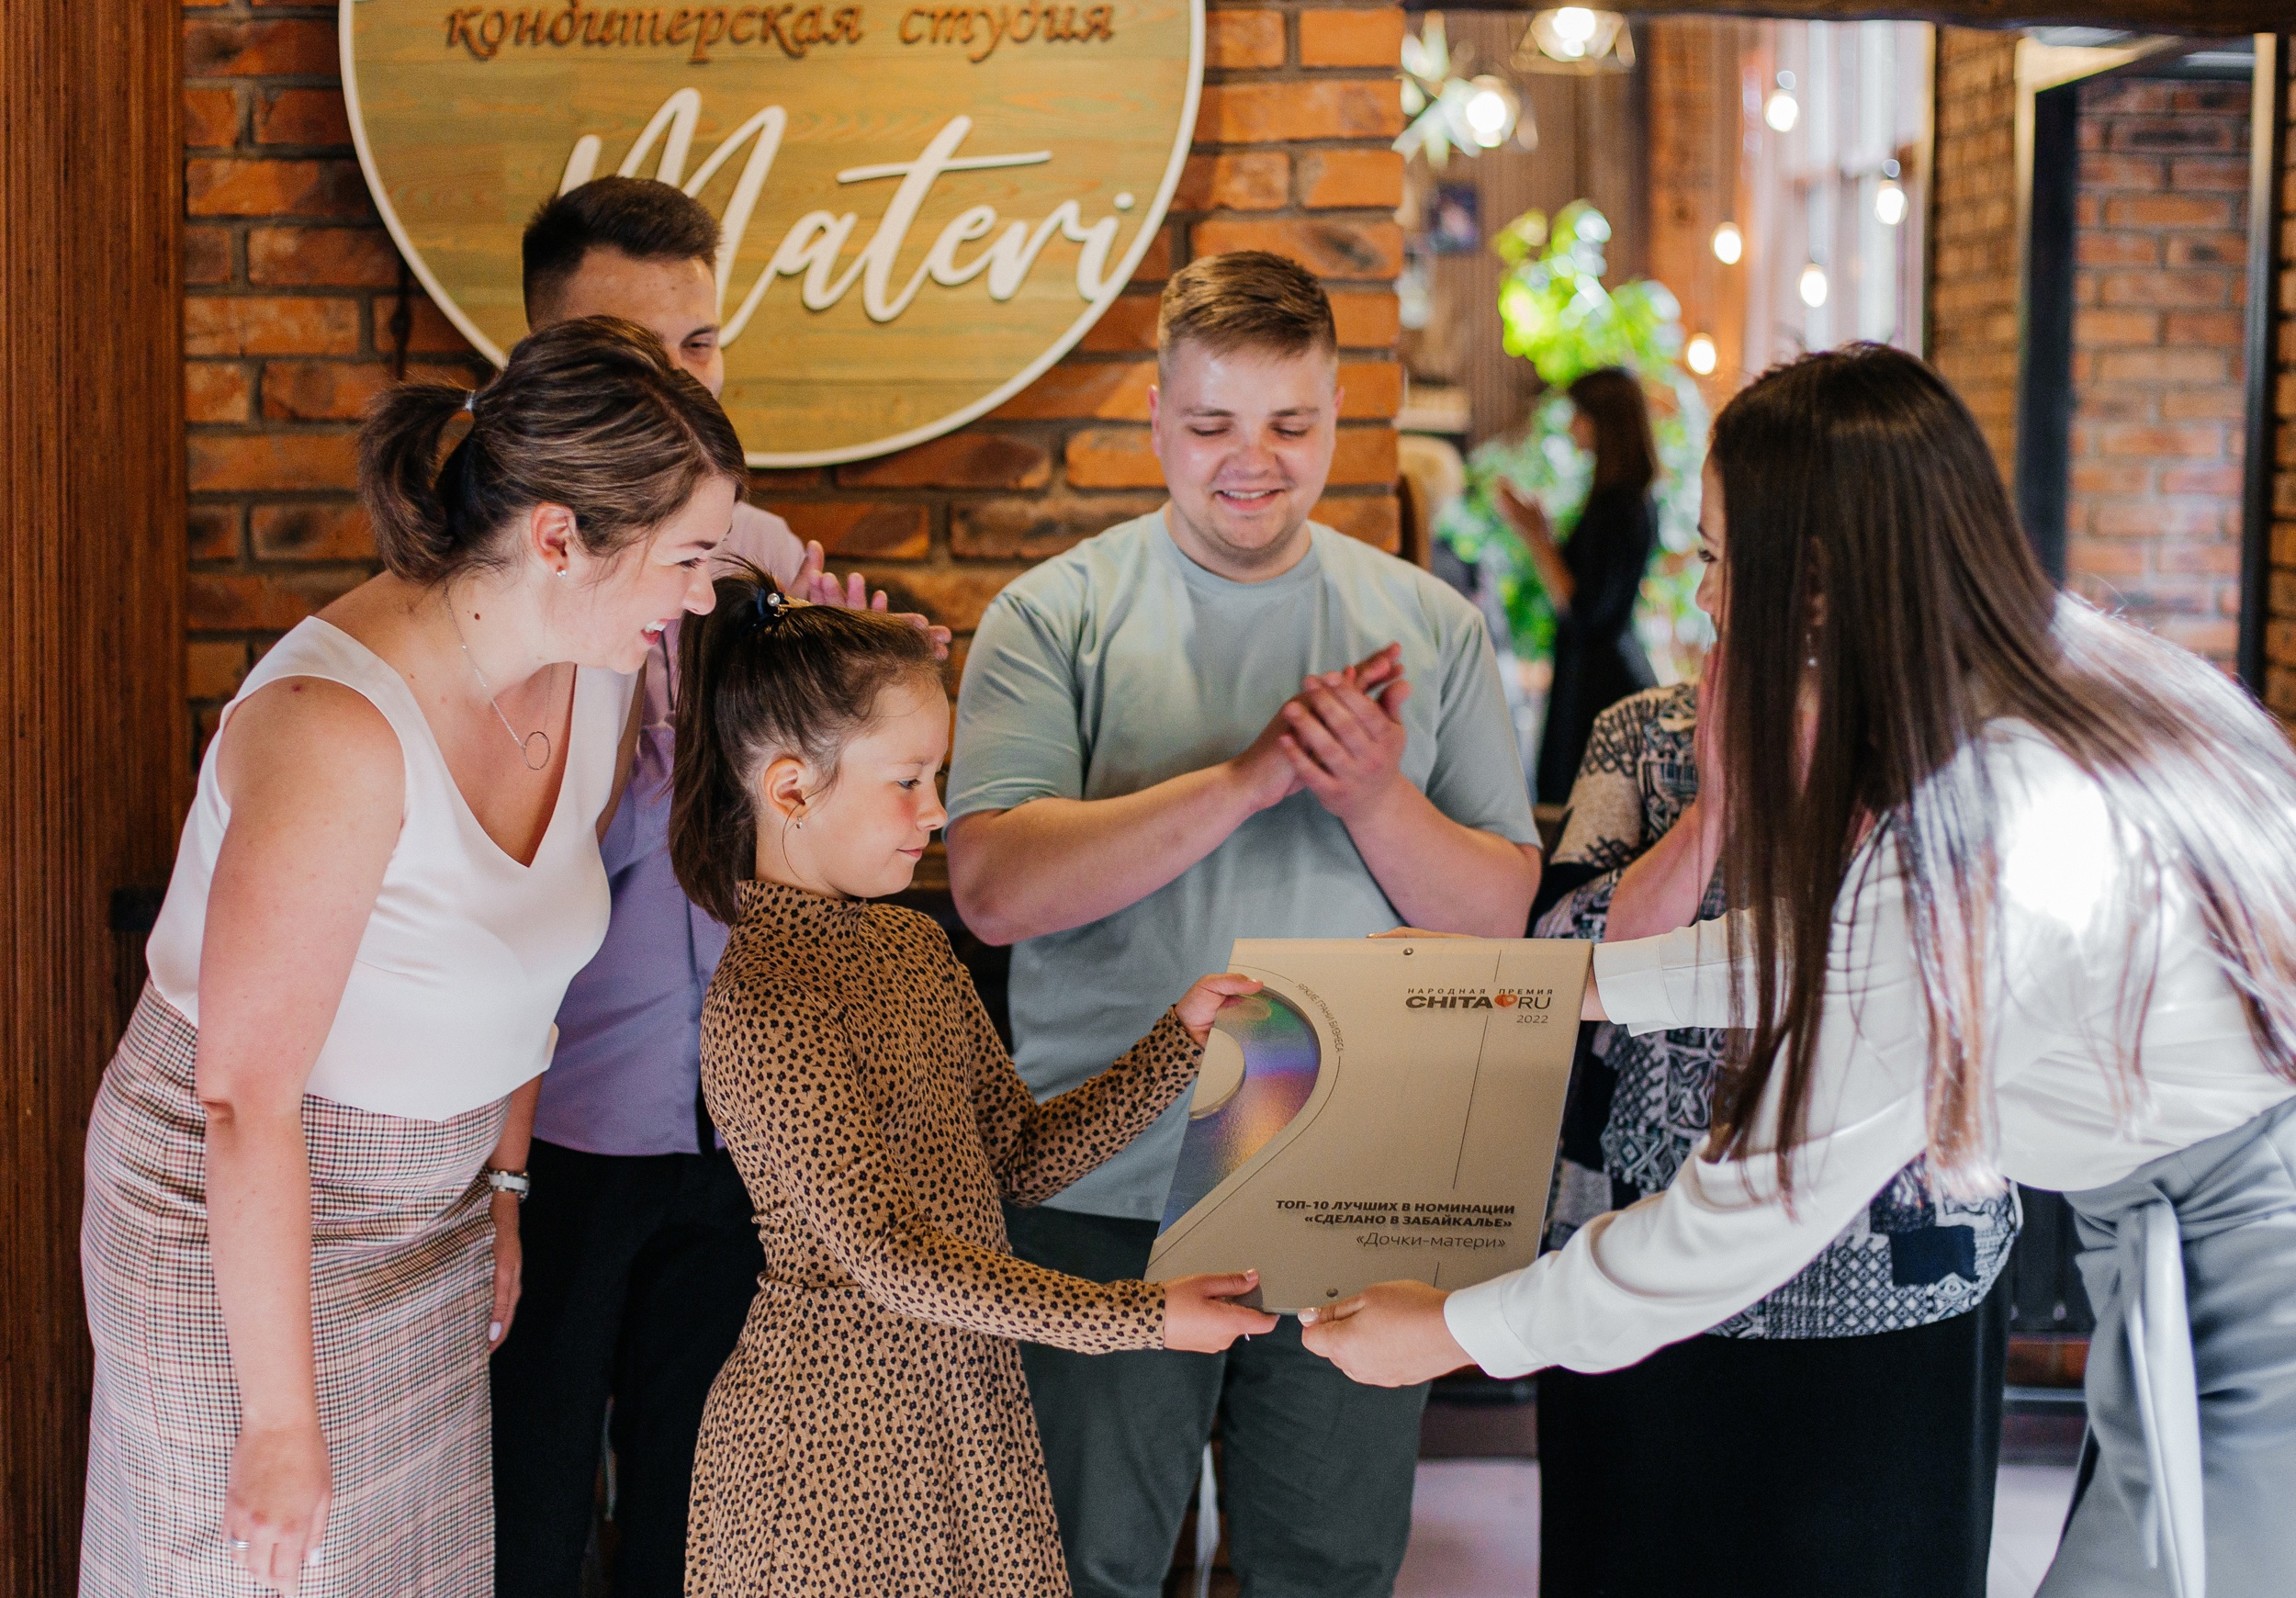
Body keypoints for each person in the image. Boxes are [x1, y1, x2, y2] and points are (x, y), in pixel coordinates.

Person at [1301, 343, 2296, 1598]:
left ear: (1811, 582)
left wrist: (1449, 1330)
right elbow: (1845, 964)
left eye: (1720, 557)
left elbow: (1742, 1219)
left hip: (2254, 1259)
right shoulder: (2033, 684)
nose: (1707, 598)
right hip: (2188, 1226)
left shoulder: (1982, 824)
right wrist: (1560, 988)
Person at [79, 316, 746, 1597]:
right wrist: (278, 1423)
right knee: (258, 1568)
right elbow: (243, 1100)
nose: (700, 596)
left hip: (433, 1215)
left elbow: (537, 981)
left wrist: (500, 1192)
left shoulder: (590, 675)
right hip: (239, 1210)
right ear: (560, 538)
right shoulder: (334, 731)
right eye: (689, 558)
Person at [944, 252, 1541, 1598]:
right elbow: (992, 887)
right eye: (1213, 425)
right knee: (1085, 1566)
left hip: (1363, 1175)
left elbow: (1503, 913)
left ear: (1338, 415)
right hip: (1105, 1182)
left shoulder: (1431, 627)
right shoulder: (1054, 616)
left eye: (1291, 425)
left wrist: (1373, 797)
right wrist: (1249, 778)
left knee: (1325, 1567)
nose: (1251, 462)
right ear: (1158, 417)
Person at [488, 174, 944, 1598]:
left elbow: (812, 888)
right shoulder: (505, 597)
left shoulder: (755, 567)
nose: (682, 383)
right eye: (637, 353)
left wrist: (859, 749)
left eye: (701, 346)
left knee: (715, 1527)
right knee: (528, 1514)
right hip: (550, 1143)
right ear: (544, 372)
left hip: (745, 1136)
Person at [667, 569, 1277, 1595]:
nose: (937, 812)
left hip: (964, 1399)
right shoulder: (767, 1002)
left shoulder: (909, 946)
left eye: (935, 777)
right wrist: (1142, 1317)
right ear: (788, 788)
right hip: (832, 1441)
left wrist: (1178, 1044)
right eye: (906, 780)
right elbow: (890, 1258)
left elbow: (1019, 1161)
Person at [1529, 670, 2017, 1591]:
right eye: (1709, 556)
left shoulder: (1964, 729)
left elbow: (1954, 970)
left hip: (1895, 1274)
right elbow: (1556, 967)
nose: (1715, 589)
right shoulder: (1641, 732)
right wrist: (1712, 812)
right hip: (1633, 1250)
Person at [1496, 366, 1660, 804]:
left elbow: (1582, 607)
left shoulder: (1621, 506)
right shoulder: (1618, 499)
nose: (1572, 427)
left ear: (1603, 423)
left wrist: (1534, 535)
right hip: (1593, 673)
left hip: (1601, 684)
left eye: (1579, 416)